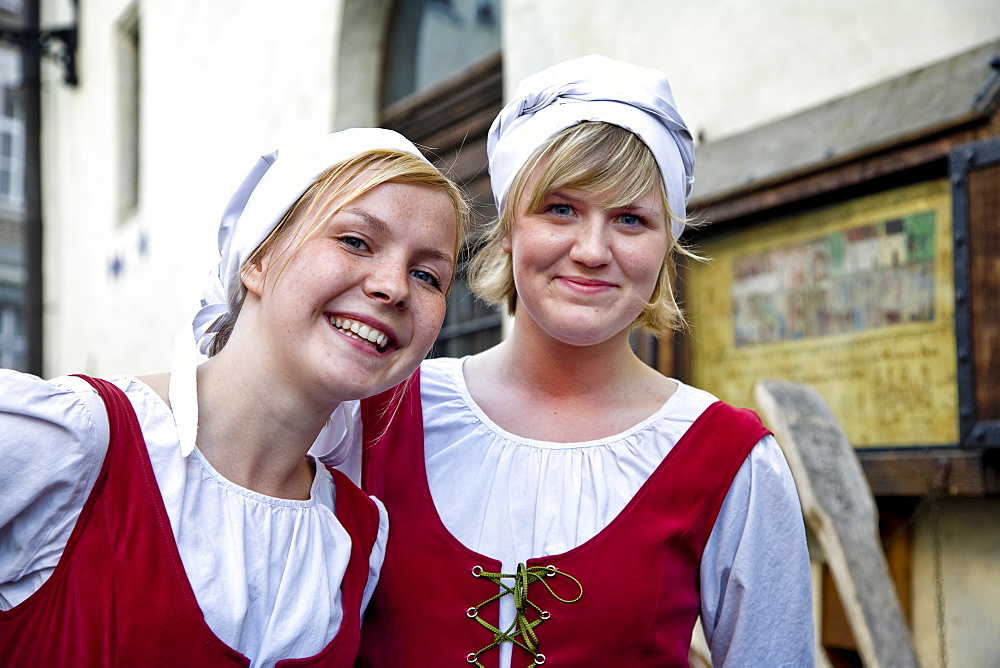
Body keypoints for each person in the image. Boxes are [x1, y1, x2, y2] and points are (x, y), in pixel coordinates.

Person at [316, 56, 814, 666]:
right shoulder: (374, 418)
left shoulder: (732, 462)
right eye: (560, 209)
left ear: (665, 247)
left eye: (631, 219)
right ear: (507, 229)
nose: (592, 249)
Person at [0, 128, 469, 666]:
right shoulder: (77, 442)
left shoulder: (356, 534)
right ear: (259, 259)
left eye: (428, 275)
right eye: (355, 241)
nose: (395, 287)